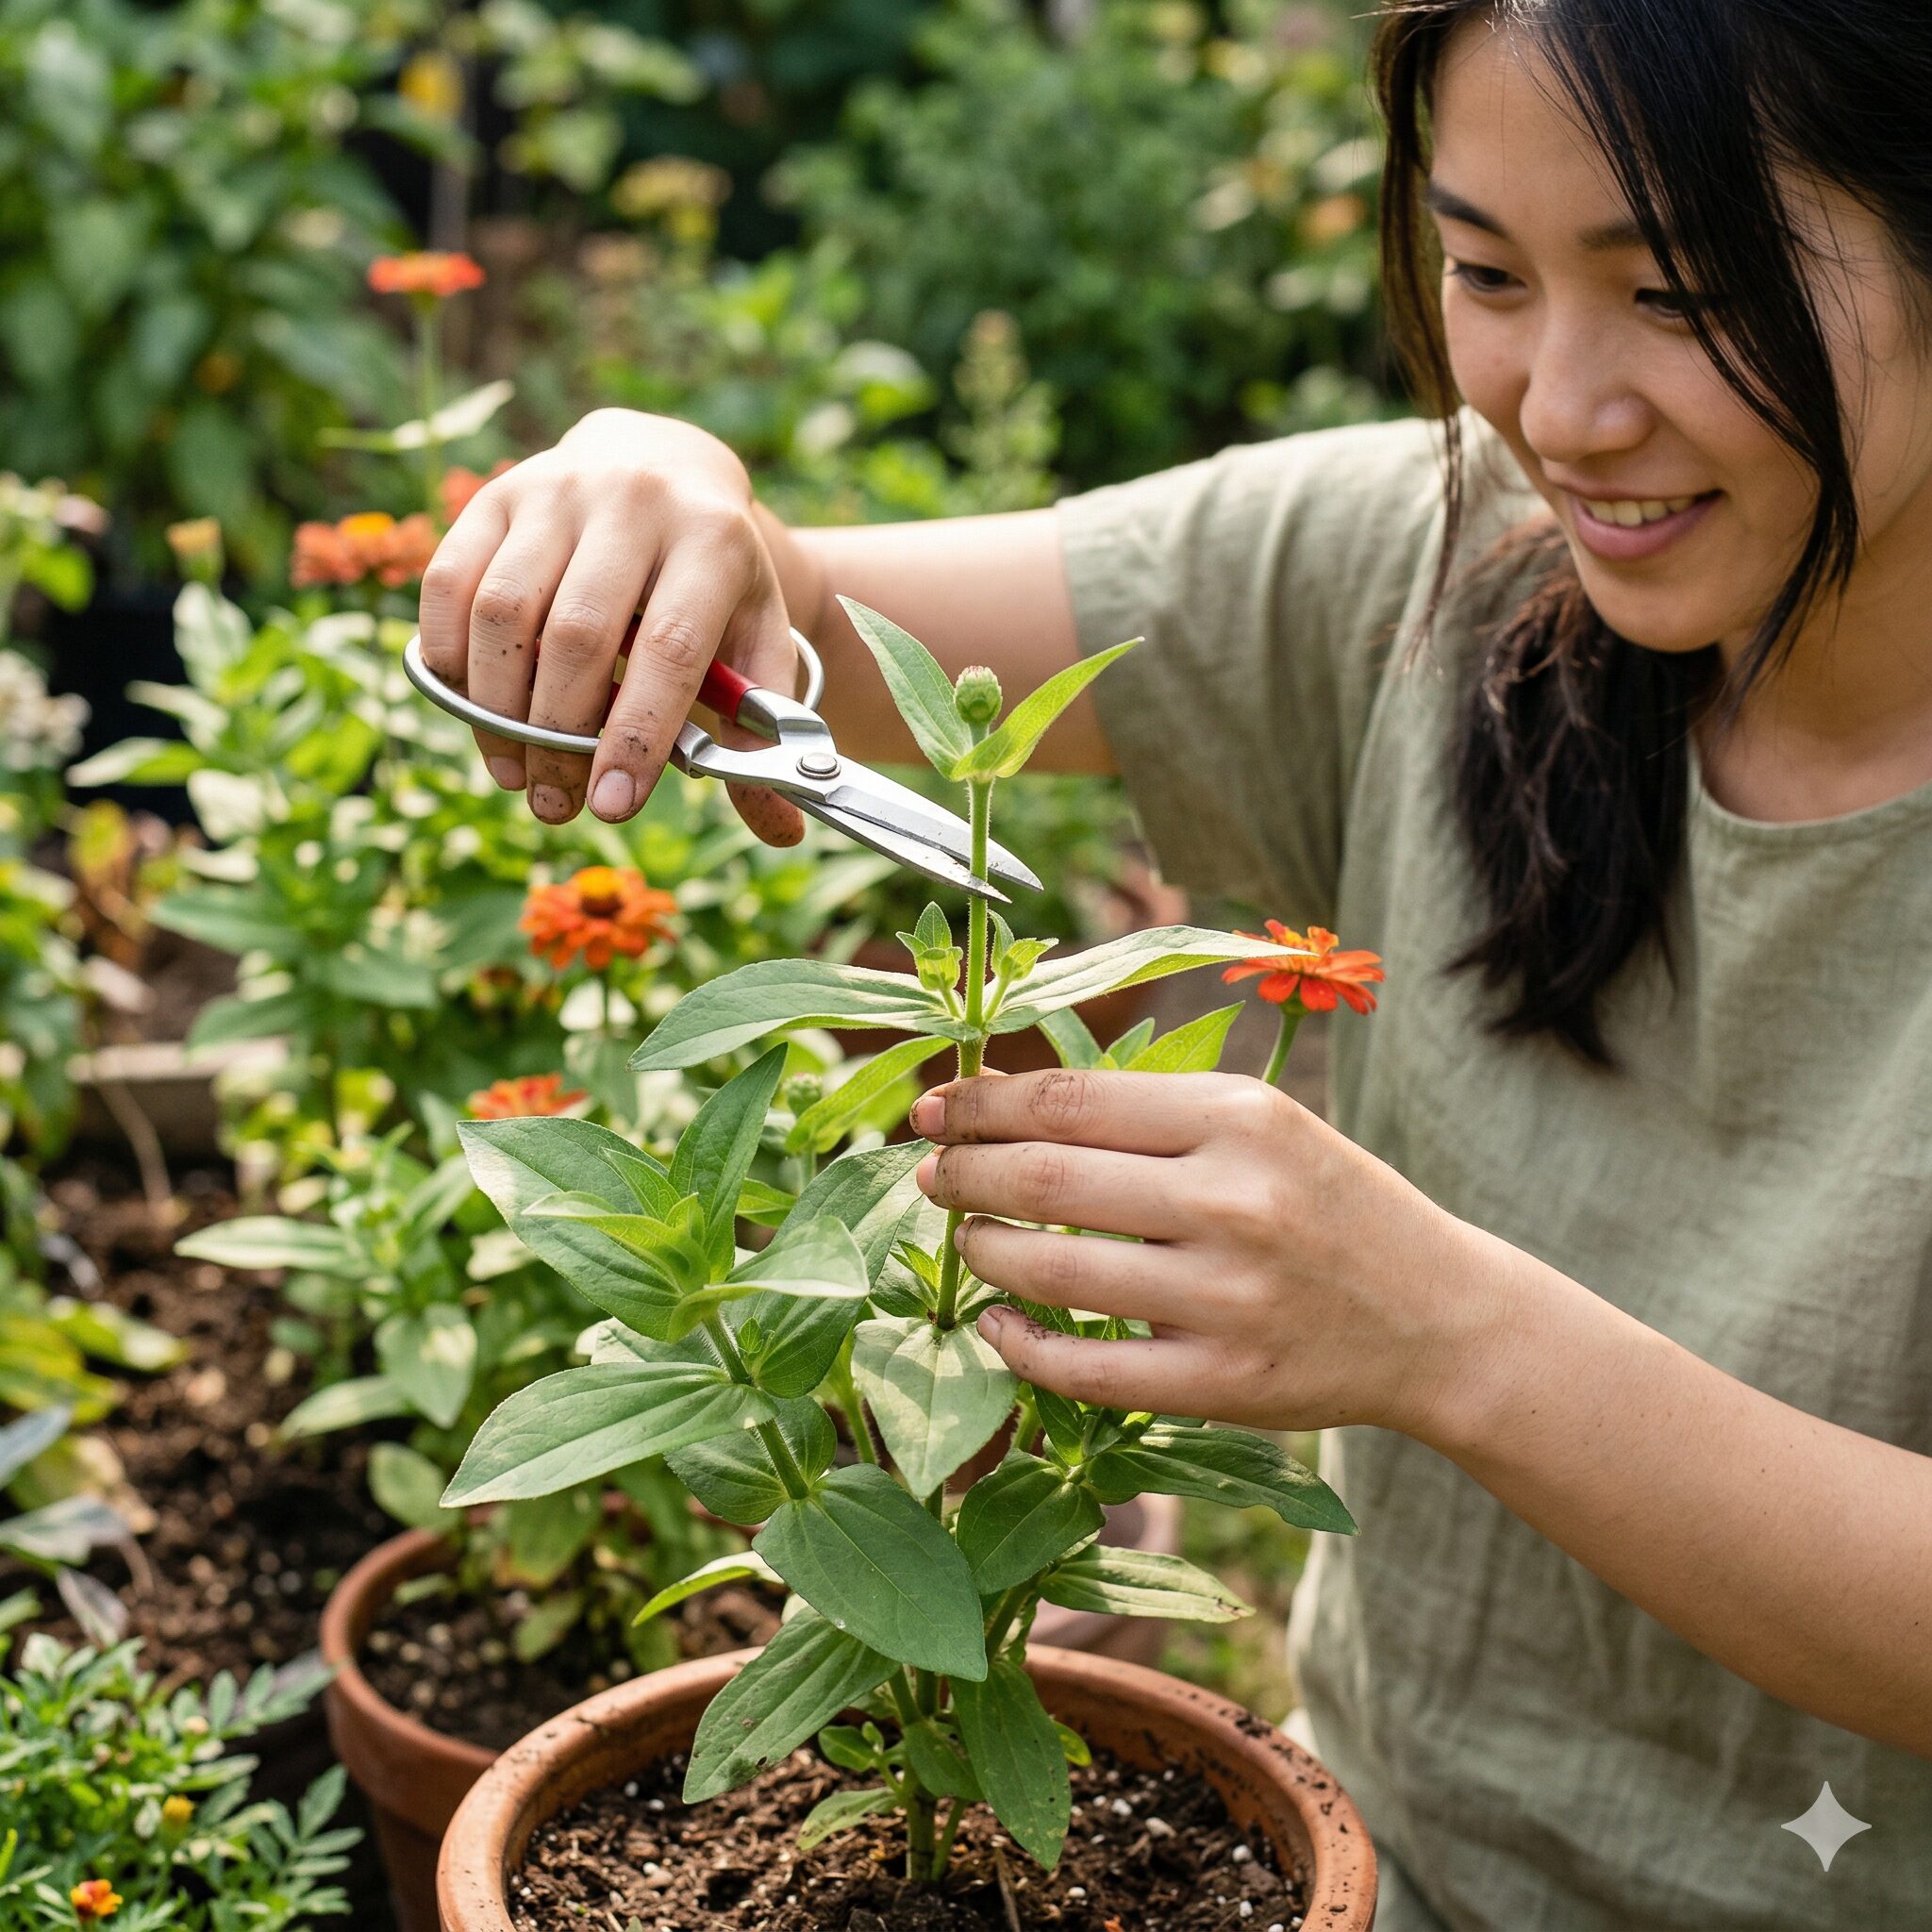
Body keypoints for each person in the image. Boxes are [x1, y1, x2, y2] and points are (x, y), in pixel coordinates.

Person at [416, 2, 1932, 1924]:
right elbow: (805, 604)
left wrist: (1450, 1333)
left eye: (1678, 291)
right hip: (1377, 1870)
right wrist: (656, 491)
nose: (1558, 408)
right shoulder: (1440, 563)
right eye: (1482, 269)